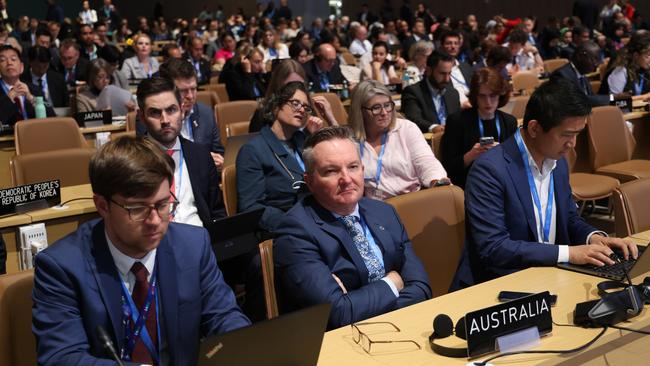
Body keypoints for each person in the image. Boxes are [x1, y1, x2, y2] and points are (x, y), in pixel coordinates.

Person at [32, 135, 250, 365]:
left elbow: (224, 317)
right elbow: (62, 358)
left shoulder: (193, 246)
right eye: (137, 209)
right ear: (103, 206)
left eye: (163, 204)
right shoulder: (61, 266)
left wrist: (245, 347)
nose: (155, 220)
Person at [451, 78, 638, 289]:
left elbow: (568, 218)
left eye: (577, 134)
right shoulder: (489, 170)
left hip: (551, 275)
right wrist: (569, 253)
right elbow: (494, 248)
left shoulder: (558, 161)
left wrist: (593, 238)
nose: (572, 144)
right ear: (534, 128)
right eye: (566, 135)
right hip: (502, 284)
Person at [274, 126, 432, 329]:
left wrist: (358, 303)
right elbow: (338, 314)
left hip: (404, 326)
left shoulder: (385, 212)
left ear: (362, 170)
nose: (346, 179)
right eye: (331, 171)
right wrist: (393, 282)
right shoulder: (295, 232)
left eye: (353, 167)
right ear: (309, 182)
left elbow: (421, 287)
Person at [137, 77, 226, 227]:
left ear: (182, 111)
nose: (165, 120)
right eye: (155, 113)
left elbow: (217, 212)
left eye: (171, 110)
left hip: (199, 238)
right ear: (142, 118)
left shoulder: (200, 155)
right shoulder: (131, 160)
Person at [236, 81, 324, 232]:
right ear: (277, 106)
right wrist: (294, 224)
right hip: (284, 229)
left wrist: (315, 137)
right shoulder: (252, 151)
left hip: (315, 219)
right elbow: (251, 207)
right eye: (295, 103)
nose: (302, 110)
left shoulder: (304, 142)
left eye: (306, 107)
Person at [349, 80, 447, 199]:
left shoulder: (406, 128)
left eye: (387, 105)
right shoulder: (351, 140)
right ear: (360, 111)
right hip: (374, 207)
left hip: (411, 200)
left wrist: (436, 180)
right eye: (376, 108)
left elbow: (426, 161)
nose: (384, 113)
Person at [440, 68, 518, 188]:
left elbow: (517, 162)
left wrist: (503, 153)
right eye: (482, 96)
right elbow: (447, 167)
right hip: (468, 184)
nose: (488, 102)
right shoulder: (457, 121)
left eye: (492, 96)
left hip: (502, 183)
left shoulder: (509, 122)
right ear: (475, 97)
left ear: (500, 95)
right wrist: (470, 156)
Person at [155, 58, 225, 169]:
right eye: (183, 91)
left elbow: (219, 152)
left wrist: (219, 160)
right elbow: (152, 161)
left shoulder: (205, 113)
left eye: (193, 89)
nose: (190, 96)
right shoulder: (152, 118)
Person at [401, 50, 461, 133]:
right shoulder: (411, 84)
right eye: (442, 74)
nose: (447, 79)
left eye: (449, 73)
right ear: (428, 70)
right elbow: (414, 120)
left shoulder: (453, 93)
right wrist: (433, 127)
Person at [0, 45, 54, 125]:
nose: (9, 63)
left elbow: (52, 117)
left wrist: (31, 98)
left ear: (21, 67)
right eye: (2, 60)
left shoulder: (34, 89)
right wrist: (10, 98)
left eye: (13, 59)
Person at [551, 41, 611, 106]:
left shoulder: (582, 74)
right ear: (580, 57)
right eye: (593, 59)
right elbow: (579, 100)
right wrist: (612, 98)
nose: (596, 64)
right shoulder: (561, 75)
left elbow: (592, 97)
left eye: (598, 60)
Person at [604, 30, 650, 100]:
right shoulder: (620, 70)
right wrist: (644, 97)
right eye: (648, 56)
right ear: (636, 55)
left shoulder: (644, 69)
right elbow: (613, 99)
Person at [440, 30, 473, 108]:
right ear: (441, 46)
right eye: (449, 43)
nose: (453, 46)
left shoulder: (466, 66)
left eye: (456, 43)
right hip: (455, 106)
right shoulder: (438, 70)